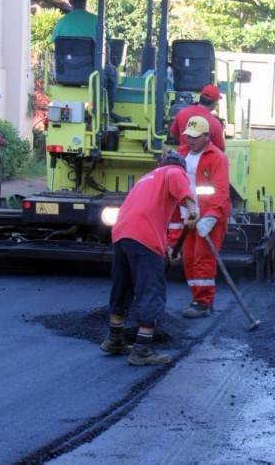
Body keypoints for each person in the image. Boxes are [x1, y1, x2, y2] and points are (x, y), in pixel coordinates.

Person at [100, 151, 198, 366]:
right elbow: (180, 186)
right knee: (152, 291)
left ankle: (114, 339)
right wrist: (192, 209)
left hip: (122, 234)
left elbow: (148, 215)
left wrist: (168, 249)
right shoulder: (173, 171)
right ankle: (142, 350)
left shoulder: (147, 179)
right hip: (143, 238)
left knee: (123, 288)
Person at [177, 117, 231, 318]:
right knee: (190, 259)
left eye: (195, 137)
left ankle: (203, 302)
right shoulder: (182, 153)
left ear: (207, 136)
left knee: (203, 259)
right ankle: (198, 299)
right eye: (189, 136)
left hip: (208, 218)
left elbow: (221, 191)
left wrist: (211, 217)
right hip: (190, 216)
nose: (191, 141)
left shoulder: (217, 158)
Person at [51, 0, 124, 121]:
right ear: (85, 2)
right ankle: (108, 110)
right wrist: (109, 64)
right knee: (112, 73)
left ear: (70, 3)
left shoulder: (61, 22)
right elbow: (105, 46)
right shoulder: (96, 21)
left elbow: (56, 46)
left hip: (65, 73)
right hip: (90, 72)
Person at [169, 84, 226, 150]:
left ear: (201, 97)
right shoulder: (215, 123)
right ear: (215, 102)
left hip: (183, 157)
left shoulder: (182, 113)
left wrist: (186, 143)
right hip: (203, 159)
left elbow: (173, 135)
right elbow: (220, 149)